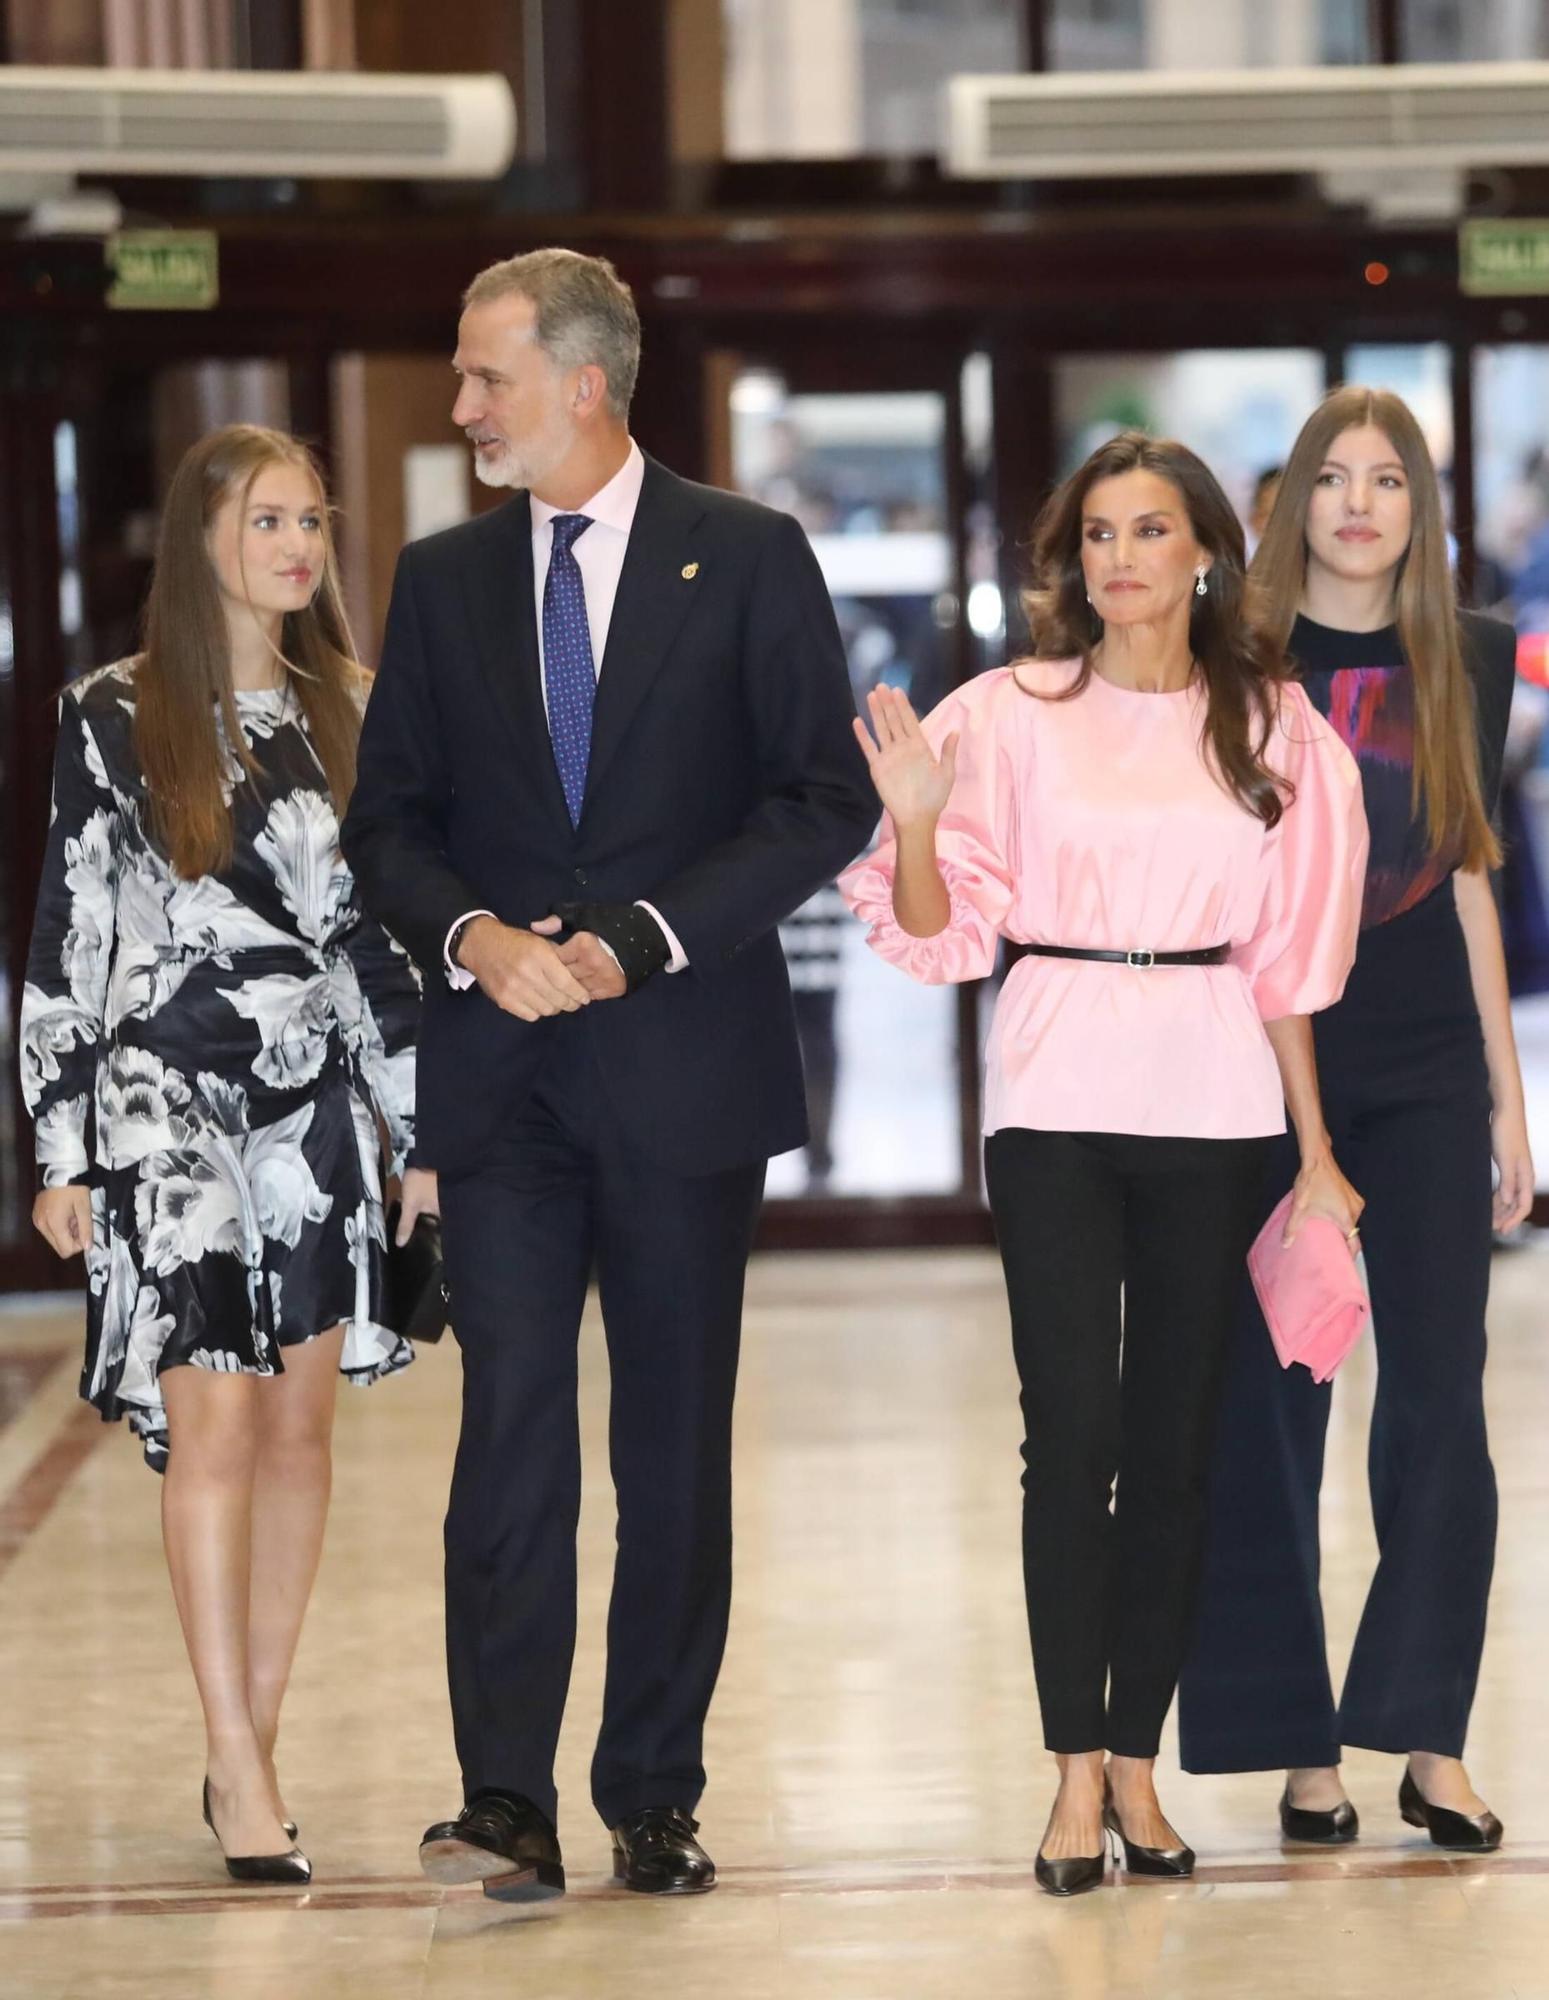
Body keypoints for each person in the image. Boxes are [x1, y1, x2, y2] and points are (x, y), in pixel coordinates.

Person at [341, 248, 875, 1902]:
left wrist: (639, 935)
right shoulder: (439, 582)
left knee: (671, 1449)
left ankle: (653, 1788)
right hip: (498, 1081)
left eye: (483, 372)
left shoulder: (751, 555)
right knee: (508, 1429)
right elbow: (391, 826)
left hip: (682, 1074)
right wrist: (475, 937)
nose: (462, 404)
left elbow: (816, 801)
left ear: (583, 382)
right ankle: (500, 1794)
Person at [839, 432, 1367, 1897]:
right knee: (1070, 1436)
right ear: (1072, 562)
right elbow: (941, 935)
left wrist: (1314, 1154)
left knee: (1179, 1445)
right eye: (1096, 536)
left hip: (1213, 1103)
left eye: (1149, 531)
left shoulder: (1276, 729)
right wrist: (918, 820)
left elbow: (1286, 970)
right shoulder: (1007, 714)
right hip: (1056, 1094)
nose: (1119, 559)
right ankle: (1072, 1773)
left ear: (1204, 550)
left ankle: (1142, 1766)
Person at [20, 423, 433, 1884]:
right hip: (158, 1103)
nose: (300, 548)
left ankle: (245, 1740)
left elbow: (378, 943)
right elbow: (70, 938)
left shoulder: (353, 708)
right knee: (217, 1429)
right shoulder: (115, 712)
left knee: (301, 1435)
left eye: (313, 522)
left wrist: (419, 1131)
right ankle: (240, 1760)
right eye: (271, 522)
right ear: (206, 539)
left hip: (313, 1107)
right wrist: (60, 1146)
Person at [1179, 387, 1531, 1851]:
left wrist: (1512, 1103)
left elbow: (1465, 878)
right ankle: (1296, 1749)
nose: (1358, 503)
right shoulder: (1228, 663)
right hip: (1262, 1074)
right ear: (1291, 503)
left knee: (1439, 1405)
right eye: (1331, 477)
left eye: (1387, 479)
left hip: (1428, 1070)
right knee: (1269, 1412)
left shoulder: (1472, 655)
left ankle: (1429, 1739)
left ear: (1418, 510)